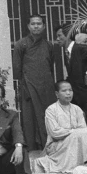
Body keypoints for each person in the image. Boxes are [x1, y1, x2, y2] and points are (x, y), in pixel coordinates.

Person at [12, 14, 56, 150]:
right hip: (29, 87)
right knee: (30, 118)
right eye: (33, 24)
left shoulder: (48, 45)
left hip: (46, 87)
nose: (36, 26)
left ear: (43, 26)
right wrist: (24, 84)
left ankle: (49, 146)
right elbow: (17, 68)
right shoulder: (21, 44)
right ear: (28, 26)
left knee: (46, 116)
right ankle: (32, 147)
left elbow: (50, 65)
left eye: (39, 23)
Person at [33, 80, 87, 173]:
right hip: (56, 145)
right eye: (64, 91)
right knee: (77, 135)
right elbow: (55, 132)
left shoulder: (77, 109)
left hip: (75, 142)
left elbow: (83, 130)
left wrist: (74, 133)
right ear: (57, 94)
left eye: (70, 90)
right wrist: (72, 132)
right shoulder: (51, 110)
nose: (68, 93)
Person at [62, 32, 87, 121]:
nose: (57, 39)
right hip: (76, 93)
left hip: (85, 92)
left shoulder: (81, 48)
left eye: (60, 35)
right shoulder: (67, 52)